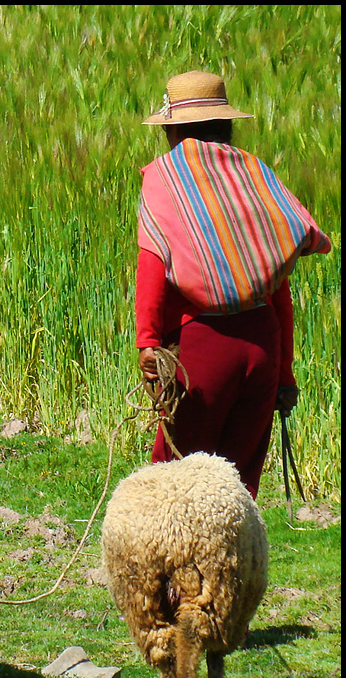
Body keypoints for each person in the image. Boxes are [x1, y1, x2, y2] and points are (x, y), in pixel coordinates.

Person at [135, 70, 332, 498]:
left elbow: (151, 265)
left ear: (172, 129)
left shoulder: (164, 178)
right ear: (226, 124)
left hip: (202, 350)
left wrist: (148, 343)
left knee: (175, 483)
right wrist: (283, 372)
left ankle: (172, 566)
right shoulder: (253, 175)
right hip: (262, 345)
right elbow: (276, 284)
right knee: (237, 487)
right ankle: (233, 565)